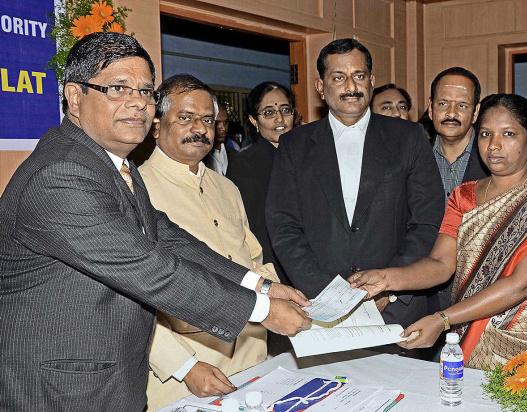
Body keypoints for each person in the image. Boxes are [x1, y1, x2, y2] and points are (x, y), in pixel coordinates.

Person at [0, 33, 310, 410]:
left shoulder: (112, 164)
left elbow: (164, 236)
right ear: (75, 97)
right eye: (118, 88)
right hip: (60, 388)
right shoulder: (61, 173)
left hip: (110, 378)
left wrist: (258, 284)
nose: (137, 104)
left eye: (146, 92)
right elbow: (151, 268)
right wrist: (259, 309)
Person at [349, 94, 527, 404]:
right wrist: (388, 279)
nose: (493, 145)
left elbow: (524, 283)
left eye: (508, 134)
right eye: (485, 134)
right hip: (469, 327)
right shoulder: (464, 196)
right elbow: (440, 263)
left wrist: (442, 320)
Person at [266, 38, 446, 346]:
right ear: (321, 87)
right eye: (338, 77)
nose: (351, 86)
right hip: (321, 311)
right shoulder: (295, 145)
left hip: (397, 310)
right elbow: (283, 225)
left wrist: (391, 286)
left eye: (359, 76)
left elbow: (427, 219)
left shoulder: (409, 138)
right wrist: (332, 296)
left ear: (372, 81)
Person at [139, 74, 285, 409]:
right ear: (157, 125)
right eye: (186, 118)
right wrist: (182, 366)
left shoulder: (226, 187)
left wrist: (279, 299)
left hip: (253, 356)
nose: (200, 128)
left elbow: (253, 260)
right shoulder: (137, 190)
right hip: (187, 372)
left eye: (207, 120)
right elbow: (134, 302)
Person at [227, 81, 296, 286]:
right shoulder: (245, 164)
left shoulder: (307, 156)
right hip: (273, 269)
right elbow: (252, 228)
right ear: (253, 121)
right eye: (268, 113)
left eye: (285, 110)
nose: (280, 119)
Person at [428, 67, 489, 200]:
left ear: (476, 112)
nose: (451, 113)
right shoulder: (415, 154)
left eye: (462, 105)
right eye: (443, 104)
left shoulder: (492, 156)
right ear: (431, 108)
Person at [203, 102, 230, 175]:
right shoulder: (199, 158)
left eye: (226, 122)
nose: (223, 128)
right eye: (217, 123)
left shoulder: (236, 155)